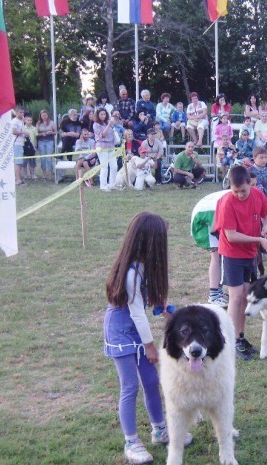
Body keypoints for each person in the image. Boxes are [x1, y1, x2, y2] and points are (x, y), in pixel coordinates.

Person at [103, 212, 173, 464]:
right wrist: (151, 346)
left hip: (135, 329)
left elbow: (145, 304)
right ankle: (131, 442)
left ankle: (160, 429)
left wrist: (163, 306)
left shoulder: (143, 267)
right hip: (121, 330)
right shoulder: (132, 272)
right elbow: (135, 312)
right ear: (149, 242)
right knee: (130, 385)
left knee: (151, 381)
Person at [212, 165, 267, 360]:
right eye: (235, 190)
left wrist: (266, 227)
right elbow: (231, 236)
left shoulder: (257, 194)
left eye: (243, 190)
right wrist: (258, 240)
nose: (239, 194)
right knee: (236, 297)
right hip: (232, 253)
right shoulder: (227, 202)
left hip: (249, 253)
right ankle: (230, 342)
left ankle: (240, 337)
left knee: (246, 295)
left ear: (250, 183)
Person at [190, 190, 231, 307]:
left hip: (213, 212)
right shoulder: (227, 203)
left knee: (222, 253)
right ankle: (214, 295)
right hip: (205, 218)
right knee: (217, 254)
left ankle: (219, 290)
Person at [93, 108, 118, 192]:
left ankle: (112, 184)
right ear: (98, 115)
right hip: (102, 146)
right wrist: (108, 125)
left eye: (104, 114)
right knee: (104, 167)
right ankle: (103, 185)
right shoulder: (96, 124)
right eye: (101, 114)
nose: (103, 116)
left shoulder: (109, 122)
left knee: (114, 166)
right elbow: (103, 135)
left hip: (111, 145)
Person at [36, 109, 57, 181]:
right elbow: (36, 133)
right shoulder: (38, 123)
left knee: (49, 158)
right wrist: (42, 134)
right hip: (41, 141)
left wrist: (51, 132)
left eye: (45, 115)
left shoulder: (52, 123)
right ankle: (44, 174)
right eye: (42, 115)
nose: (44, 117)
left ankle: (50, 173)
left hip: (49, 141)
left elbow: (55, 132)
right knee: (43, 158)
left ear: (47, 115)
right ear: (40, 116)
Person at [11, 105, 29, 186]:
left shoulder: (21, 121)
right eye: (20, 112)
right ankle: (17, 180)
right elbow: (14, 131)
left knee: (20, 162)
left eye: (23, 112)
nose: (22, 114)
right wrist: (23, 133)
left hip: (21, 143)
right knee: (17, 162)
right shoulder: (15, 121)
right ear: (16, 112)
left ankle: (18, 178)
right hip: (16, 144)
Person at [23, 114, 38, 180]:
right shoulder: (22, 128)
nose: (29, 121)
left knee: (32, 162)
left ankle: (32, 174)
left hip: (32, 148)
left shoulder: (34, 129)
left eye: (30, 120)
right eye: (28, 120)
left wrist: (35, 146)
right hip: (24, 147)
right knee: (24, 162)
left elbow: (35, 138)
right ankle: (26, 174)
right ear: (25, 121)